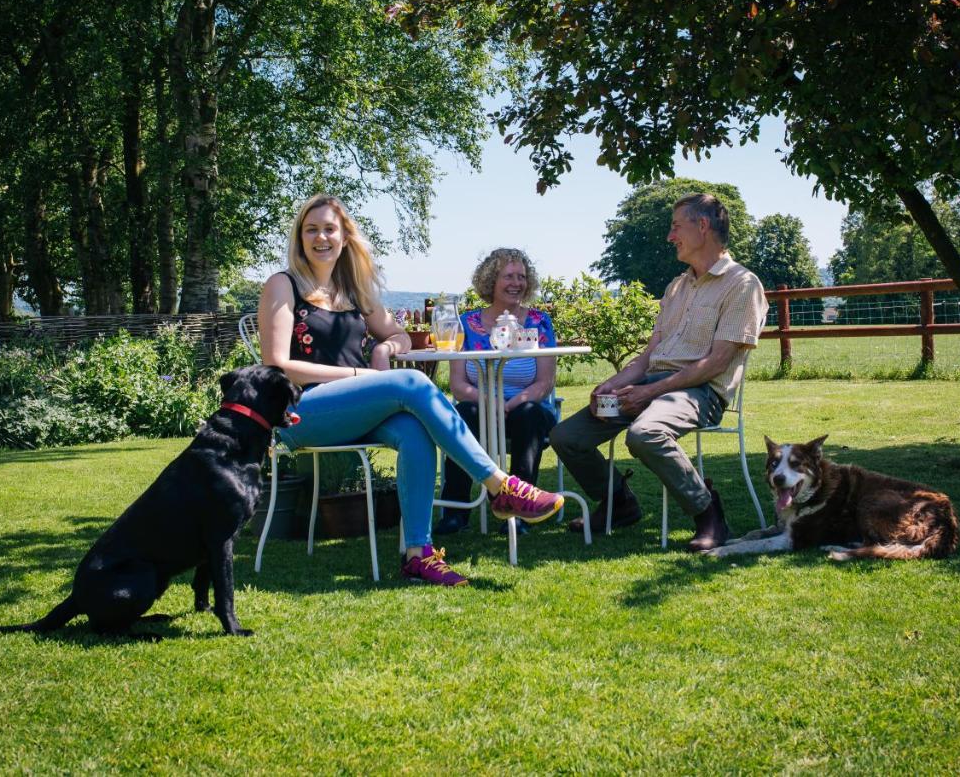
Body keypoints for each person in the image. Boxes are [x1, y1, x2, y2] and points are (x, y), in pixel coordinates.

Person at [257, 194, 565, 586]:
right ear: (300, 237)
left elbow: (399, 333)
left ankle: (418, 554)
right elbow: (278, 365)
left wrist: (387, 346)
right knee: (412, 382)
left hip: (358, 411)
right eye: (311, 229)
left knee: (416, 431)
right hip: (300, 413)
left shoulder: (353, 291)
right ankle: (500, 485)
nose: (321, 238)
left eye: (329, 229)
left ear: (345, 237)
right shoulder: (283, 285)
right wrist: (360, 375)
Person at [549, 192, 766, 552]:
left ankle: (708, 513)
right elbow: (649, 356)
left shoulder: (743, 284)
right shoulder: (677, 286)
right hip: (653, 384)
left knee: (645, 434)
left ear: (702, 226)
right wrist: (612, 384)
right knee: (566, 436)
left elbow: (716, 363)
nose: (670, 236)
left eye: (675, 227)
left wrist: (649, 393)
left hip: (701, 392)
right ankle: (619, 503)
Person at [433, 248, 558, 535]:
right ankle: (455, 513)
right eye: (509, 276)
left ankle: (520, 512)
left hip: (526, 407)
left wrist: (513, 403)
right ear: (491, 281)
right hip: (480, 407)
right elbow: (458, 385)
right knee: (462, 413)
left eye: (522, 277)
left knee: (529, 415)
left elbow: (545, 382)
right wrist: (489, 402)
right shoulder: (466, 325)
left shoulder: (539, 323)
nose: (517, 283)